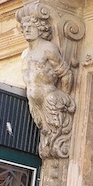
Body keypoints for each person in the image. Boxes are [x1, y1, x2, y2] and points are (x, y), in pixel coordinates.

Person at [18, 11, 76, 159]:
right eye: (24, 27)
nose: (27, 30)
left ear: (40, 29)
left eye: (31, 26)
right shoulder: (24, 54)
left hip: (49, 97)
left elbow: (65, 73)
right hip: (33, 101)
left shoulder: (48, 48)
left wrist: (63, 96)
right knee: (45, 133)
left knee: (56, 135)